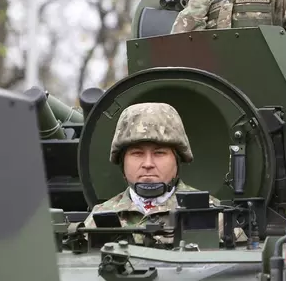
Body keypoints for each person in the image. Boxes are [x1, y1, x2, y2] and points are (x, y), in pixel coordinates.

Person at [83, 102, 245, 246]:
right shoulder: (98, 219)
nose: (148, 164)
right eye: (137, 153)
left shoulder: (214, 216)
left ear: (177, 160)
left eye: (159, 153)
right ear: (122, 162)